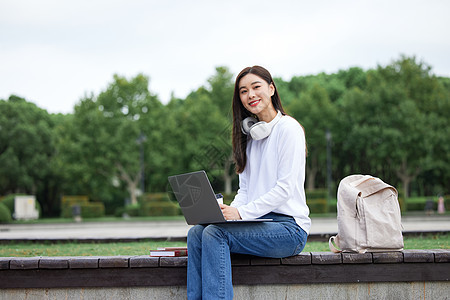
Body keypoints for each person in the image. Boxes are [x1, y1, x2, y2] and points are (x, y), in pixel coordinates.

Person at [187, 65, 311, 299]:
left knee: (215, 234)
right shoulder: (250, 138)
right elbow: (245, 190)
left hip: (289, 229)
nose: (250, 95)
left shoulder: (289, 129)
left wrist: (241, 213)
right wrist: (228, 212)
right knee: (197, 233)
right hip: (260, 222)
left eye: (256, 87)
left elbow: (284, 189)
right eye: (243, 91)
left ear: (271, 89)